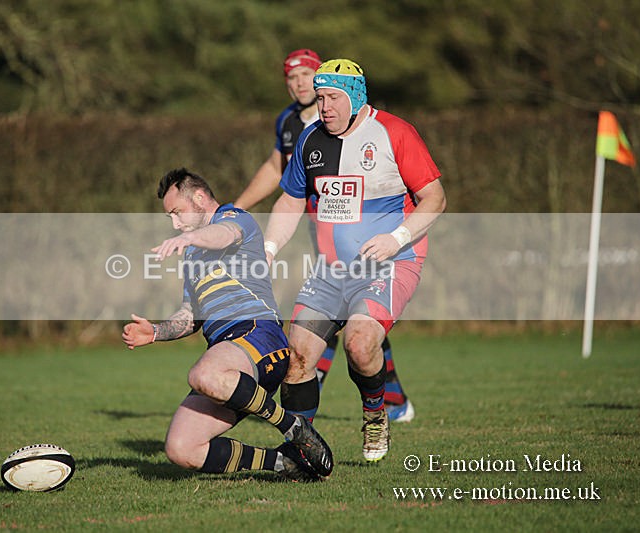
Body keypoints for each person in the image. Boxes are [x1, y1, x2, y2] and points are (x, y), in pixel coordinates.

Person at [262, 59, 446, 462]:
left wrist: (395, 238)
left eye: (332, 97)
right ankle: (300, 448)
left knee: (360, 345)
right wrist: (270, 250)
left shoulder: (394, 133)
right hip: (331, 269)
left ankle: (376, 414)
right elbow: (291, 201)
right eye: (321, 97)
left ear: (356, 96)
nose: (323, 106)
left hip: (391, 262)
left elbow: (435, 198)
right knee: (298, 355)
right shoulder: (311, 140)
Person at [234, 49, 415, 424]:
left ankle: (379, 400)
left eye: (306, 75)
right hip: (323, 240)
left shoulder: (359, 125)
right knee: (347, 329)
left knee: (357, 331)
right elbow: (277, 172)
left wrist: (397, 234)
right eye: (292, 76)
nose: (299, 83)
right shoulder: (290, 124)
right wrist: (237, 209)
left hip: (370, 246)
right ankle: (376, 400)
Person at [123, 168, 333, 481]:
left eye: (177, 212)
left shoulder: (235, 218)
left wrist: (191, 236)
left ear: (198, 197)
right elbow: (190, 315)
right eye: (170, 217)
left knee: (203, 374)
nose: (175, 223)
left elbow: (225, 234)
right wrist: (155, 332)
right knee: (181, 448)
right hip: (231, 361)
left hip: (258, 335)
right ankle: (285, 463)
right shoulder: (192, 254)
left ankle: (292, 425)